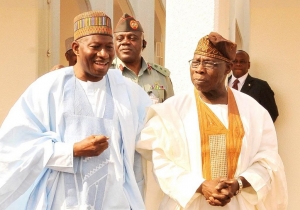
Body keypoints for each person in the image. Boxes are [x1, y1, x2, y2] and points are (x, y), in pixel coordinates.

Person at [0, 11, 152, 210]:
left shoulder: (129, 92)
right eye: (95, 47)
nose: (104, 54)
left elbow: (157, 136)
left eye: (108, 47)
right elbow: (15, 146)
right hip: (61, 202)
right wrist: (71, 150)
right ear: (76, 48)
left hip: (114, 202)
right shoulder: (48, 88)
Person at [136, 32, 288, 209]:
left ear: (228, 68)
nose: (199, 69)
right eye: (195, 62)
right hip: (189, 204)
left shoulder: (253, 111)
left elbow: (267, 162)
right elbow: (161, 162)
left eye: (209, 63)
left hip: (237, 204)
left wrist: (237, 184)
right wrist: (201, 186)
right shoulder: (171, 111)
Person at [112, 13, 174, 103]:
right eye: (120, 39)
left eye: (132, 38)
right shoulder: (106, 74)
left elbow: (171, 112)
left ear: (143, 44)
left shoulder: (162, 77)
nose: (125, 42)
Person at [228, 50, 279, 122]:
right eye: (235, 61)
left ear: (248, 65)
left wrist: (256, 131)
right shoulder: (221, 84)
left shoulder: (261, 86)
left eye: (242, 61)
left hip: (250, 132)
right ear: (230, 64)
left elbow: (271, 114)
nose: (238, 64)